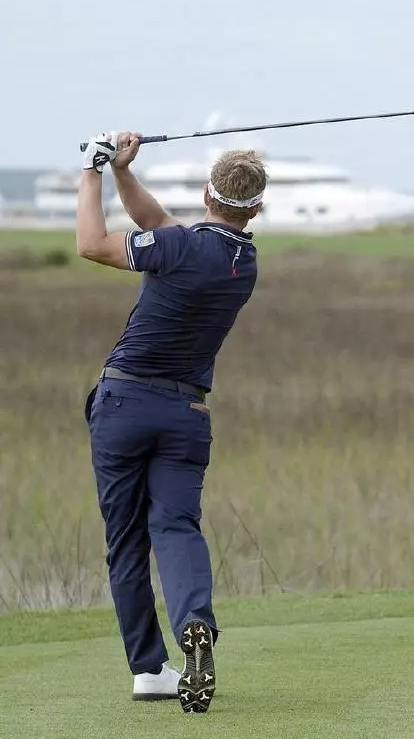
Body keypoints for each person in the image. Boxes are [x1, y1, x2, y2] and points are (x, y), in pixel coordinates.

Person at [76, 131, 266, 713]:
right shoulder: (243, 262)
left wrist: (92, 170)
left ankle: (150, 668)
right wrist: (125, 174)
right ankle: (195, 625)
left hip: (125, 404)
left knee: (127, 543)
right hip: (187, 413)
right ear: (255, 208)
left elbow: (91, 243)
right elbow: (160, 225)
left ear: (207, 193)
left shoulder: (179, 247)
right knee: (177, 529)